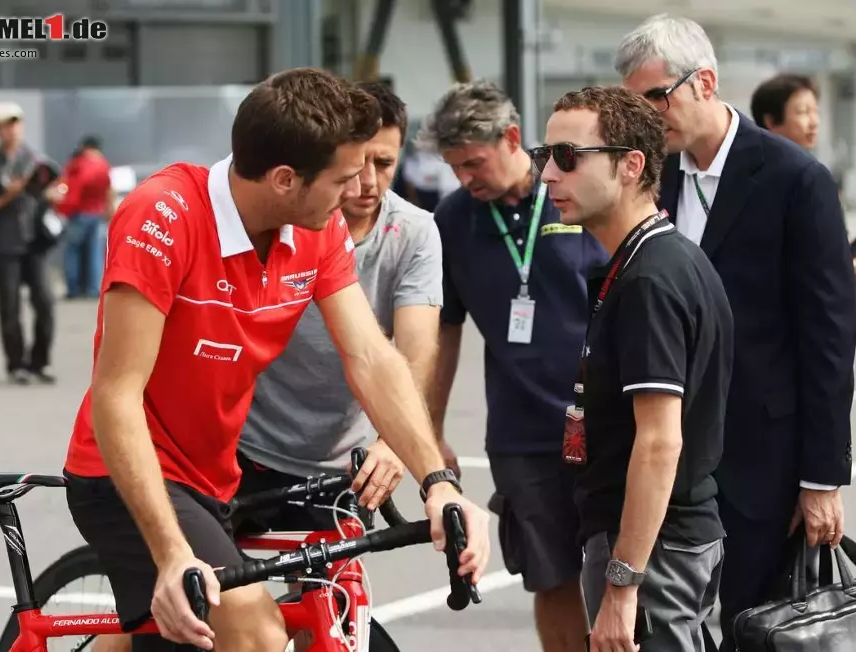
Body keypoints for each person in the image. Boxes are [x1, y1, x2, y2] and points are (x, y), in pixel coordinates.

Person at [62, 67, 490, 652]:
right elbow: (117, 394)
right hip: (125, 472)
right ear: (285, 178)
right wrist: (170, 551)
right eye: (343, 177)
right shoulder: (164, 214)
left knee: (176, 631)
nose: (359, 189)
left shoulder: (315, 227)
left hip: (213, 477)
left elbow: (370, 355)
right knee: (254, 632)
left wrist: (436, 482)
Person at [617, 15, 856, 649]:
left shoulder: (794, 180)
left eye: (655, 98)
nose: (644, 117)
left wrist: (821, 479)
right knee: (670, 624)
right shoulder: (650, 177)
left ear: (705, 83)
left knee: (756, 624)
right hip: (669, 452)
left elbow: (828, 338)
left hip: (764, 458)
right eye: (631, 103)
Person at [537, 84, 734, 652]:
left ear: (631, 165)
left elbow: (658, 443)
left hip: (654, 551)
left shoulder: (651, 277)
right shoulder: (660, 259)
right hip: (668, 543)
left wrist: (623, 584)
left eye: (568, 158)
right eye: (543, 157)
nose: (549, 174)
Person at [420, 79, 609, 652]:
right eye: (454, 168)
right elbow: (443, 331)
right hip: (522, 435)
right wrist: (431, 431)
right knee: (551, 577)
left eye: (474, 163)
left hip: (607, 422)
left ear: (512, 139)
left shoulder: (574, 196)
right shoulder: (452, 221)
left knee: (624, 571)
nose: (465, 179)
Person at [236, 79, 454, 528]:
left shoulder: (414, 232)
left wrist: (396, 441)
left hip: (340, 459)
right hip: (246, 446)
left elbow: (407, 354)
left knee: (330, 595)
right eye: (356, 166)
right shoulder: (295, 214)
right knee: (224, 589)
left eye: (385, 163)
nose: (368, 182)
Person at [750, 73, 856, 288]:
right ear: (771, 120)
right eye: (803, 112)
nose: (814, 122)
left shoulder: (814, 174)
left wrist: (841, 252)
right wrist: (844, 268)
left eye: (815, 111)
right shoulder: (758, 179)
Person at [0, 101, 56, 385]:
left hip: (35, 244)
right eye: (7, 125)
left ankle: (39, 362)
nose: (13, 129)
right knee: (9, 308)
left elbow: (54, 188)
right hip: (4, 246)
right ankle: (16, 365)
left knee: (45, 302)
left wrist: (55, 194)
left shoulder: (36, 160)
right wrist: (11, 193)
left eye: (16, 123)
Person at [55, 134, 114, 299]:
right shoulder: (104, 165)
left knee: (72, 252)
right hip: (98, 215)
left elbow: (67, 188)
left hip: (79, 214)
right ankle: (93, 289)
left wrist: (62, 209)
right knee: (95, 254)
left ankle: (73, 289)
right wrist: (109, 210)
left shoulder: (77, 164)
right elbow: (109, 190)